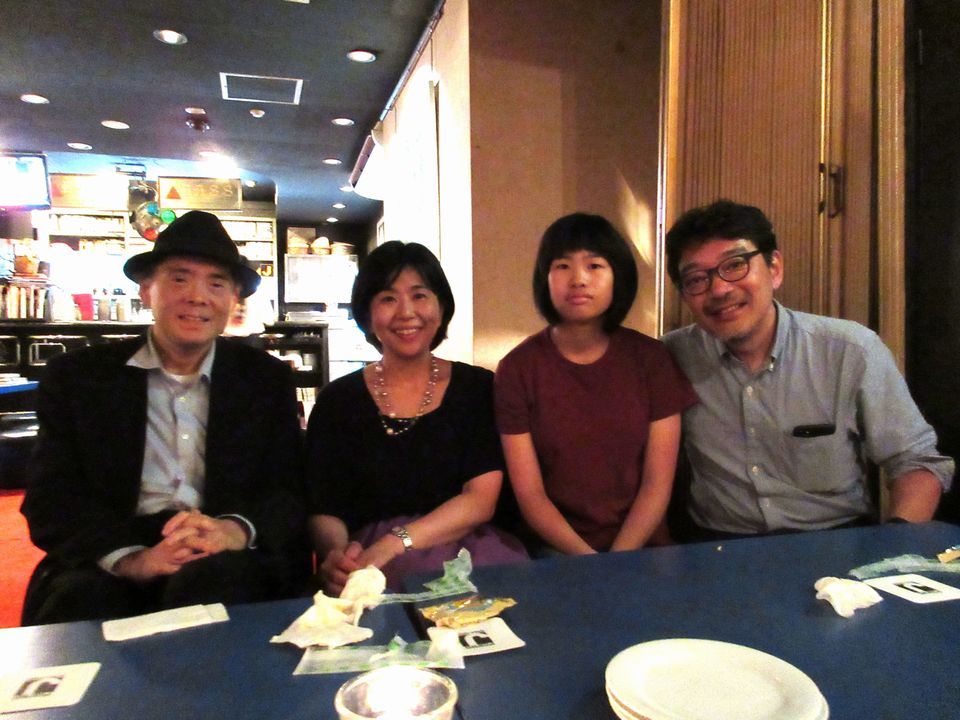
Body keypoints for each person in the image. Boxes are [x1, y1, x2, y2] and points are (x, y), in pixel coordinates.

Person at [20, 211, 309, 624]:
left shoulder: (265, 379)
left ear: (233, 299)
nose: (197, 296)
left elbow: (288, 489)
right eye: (179, 278)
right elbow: (51, 496)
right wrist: (132, 559)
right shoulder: (79, 378)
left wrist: (234, 530)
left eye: (216, 283)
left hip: (221, 548)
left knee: (211, 589)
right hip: (116, 544)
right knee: (83, 602)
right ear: (146, 289)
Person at [661, 199, 954, 540]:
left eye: (735, 265)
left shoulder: (851, 351)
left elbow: (916, 463)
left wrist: (893, 547)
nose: (720, 289)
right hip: (716, 544)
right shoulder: (669, 358)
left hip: (835, 540)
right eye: (697, 279)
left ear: (774, 268)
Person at [306, 241, 527, 594]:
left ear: (441, 306)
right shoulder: (337, 400)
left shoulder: (477, 388)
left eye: (420, 295)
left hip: (470, 553)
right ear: (367, 314)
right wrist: (337, 555)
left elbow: (480, 500)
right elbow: (325, 506)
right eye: (388, 298)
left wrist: (395, 543)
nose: (406, 312)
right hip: (368, 564)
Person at [494, 213, 698, 555]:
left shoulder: (652, 360)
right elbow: (531, 495)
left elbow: (656, 485)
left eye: (594, 265)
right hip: (555, 549)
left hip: (643, 546)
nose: (578, 279)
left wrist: (616, 561)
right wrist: (588, 561)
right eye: (562, 266)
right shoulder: (518, 369)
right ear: (545, 278)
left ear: (618, 275)